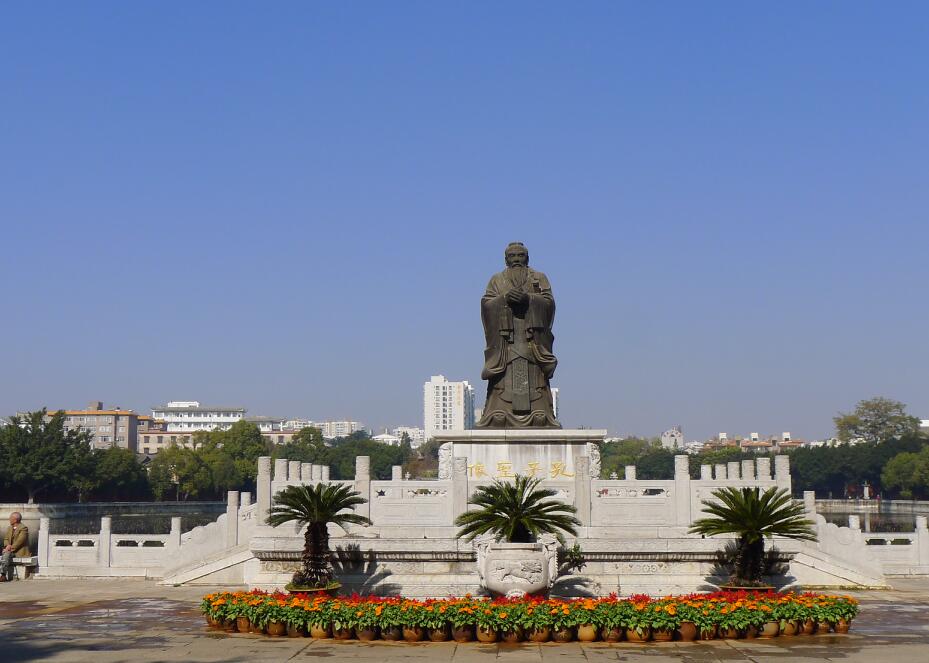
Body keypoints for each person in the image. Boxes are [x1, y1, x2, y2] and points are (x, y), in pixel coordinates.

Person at [476, 242, 560, 428]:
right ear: (506, 259)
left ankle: (540, 412)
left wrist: (529, 299)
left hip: (532, 337)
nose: (516, 260)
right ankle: (498, 412)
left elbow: (549, 303)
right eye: (512, 256)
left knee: (535, 378)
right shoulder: (497, 280)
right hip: (506, 340)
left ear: (527, 258)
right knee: (502, 379)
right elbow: (487, 304)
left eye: (520, 255)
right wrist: (504, 299)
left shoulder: (539, 278)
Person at [1, 512, 30, 582]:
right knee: (6, 555)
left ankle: (3, 575)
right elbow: (6, 539)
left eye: (11, 518)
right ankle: (3, 575)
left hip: (19, 551)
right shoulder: (9, 528)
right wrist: (7, 545)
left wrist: (9, 548)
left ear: (15, 520)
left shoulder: (24, 528)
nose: (9, 519)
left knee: (6, 554)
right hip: (9, 550)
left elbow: (20, 541)